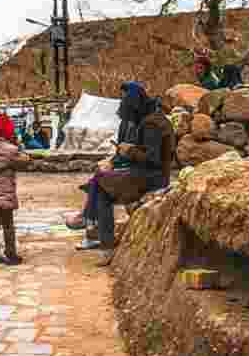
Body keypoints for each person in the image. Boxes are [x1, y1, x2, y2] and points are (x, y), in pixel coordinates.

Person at [74, 83, 174, 255]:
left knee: (100, 185)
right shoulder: (149, 118)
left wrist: (130, 150)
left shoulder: (152, 124)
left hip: (153, 177)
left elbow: (153, 159)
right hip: (144, 173)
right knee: (100, 181)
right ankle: (96, 233)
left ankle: (97, 232)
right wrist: (120, 156)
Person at [0, 111, 30, 265]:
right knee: (8, 226)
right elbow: (25, 162)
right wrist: (18, 147)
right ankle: (11, 254)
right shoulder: (11, 150)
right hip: (5, 195)